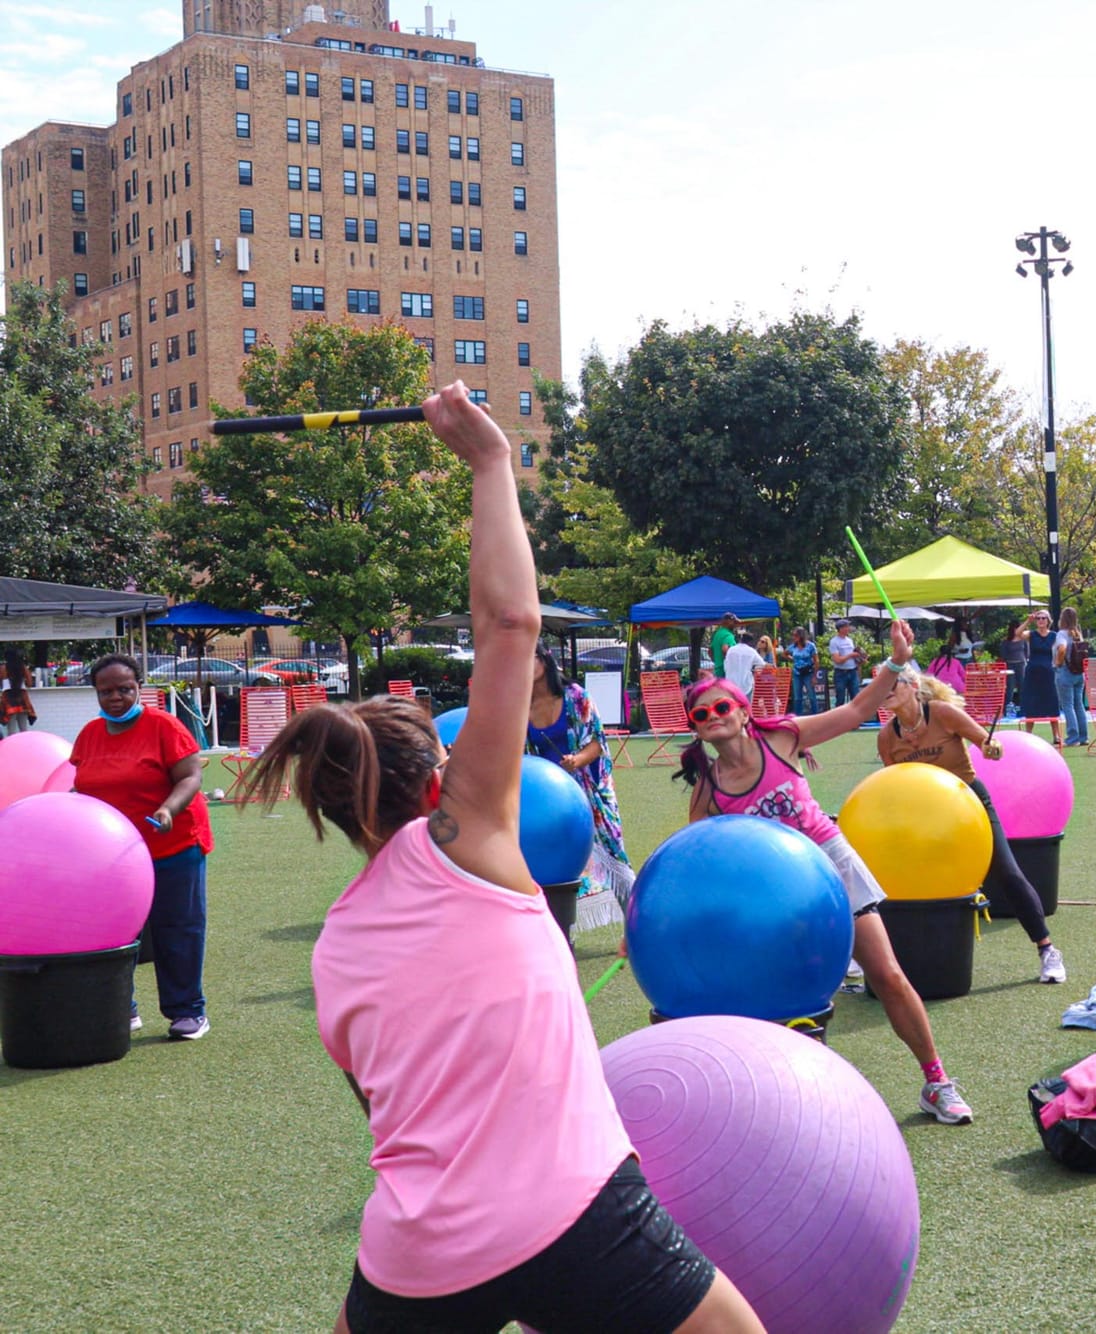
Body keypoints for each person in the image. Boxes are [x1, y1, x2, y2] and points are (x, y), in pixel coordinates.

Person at [239, 384, 764, 1332]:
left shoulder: (335, 950)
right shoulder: (467, 834)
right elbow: (510, 626)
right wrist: (490, 465)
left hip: (417, 1252)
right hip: (573, 1217)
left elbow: (383, 1112)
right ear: (439, 774)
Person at [676, 623, 975, 1126]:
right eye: (701, 715)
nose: (712, 718)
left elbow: (857, 710)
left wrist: (898, 662)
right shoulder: (709, 789)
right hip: (775, 897)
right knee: (785, 1000)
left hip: (829, 861)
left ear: (743, 711)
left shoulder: (783, 738)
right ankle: (795, 1103)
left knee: (888, 975)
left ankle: (937, 1081)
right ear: (696, 728)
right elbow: (698, 860)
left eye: (721, 707)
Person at [877, 669, 1066, 984]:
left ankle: (1047, 949)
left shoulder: (941, 713)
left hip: (969, 804)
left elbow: (986, 742)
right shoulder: (886, 737)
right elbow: (896, 784)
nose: (884, 690)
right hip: (926, 815)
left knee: (1006, 872)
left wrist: (992, 747)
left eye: (891, 684)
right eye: (879, 686)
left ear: (912, 686)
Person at [70, 653, 214, 1040]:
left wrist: (167, 810)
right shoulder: (89, 735)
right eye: (106, 691)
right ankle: (122, 1007)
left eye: (124, 689)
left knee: (176, 928)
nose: (115, 697)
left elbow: (190, 777)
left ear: (139, 687)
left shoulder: (164, 726)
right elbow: (81, 788)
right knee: (115, 933)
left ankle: (187, 1012)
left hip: (173, 844)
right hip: (114, 856)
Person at [527, 645, 631, 932]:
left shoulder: (575, 696)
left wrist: (576, 761)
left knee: (612, 850)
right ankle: (556, 930)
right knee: (554, 858)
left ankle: (637, 923)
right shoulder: (518, 705)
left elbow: (598, 742)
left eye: (529, 656)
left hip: (589, 788)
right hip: (549, 797)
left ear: (545, 660)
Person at [1020, 608, 1063, 743]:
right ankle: (1028, 734)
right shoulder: (1031, 634)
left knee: (1051, 701)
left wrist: (1057, 663)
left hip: (1048, 672)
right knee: (1031, 702)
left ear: (1048, 620)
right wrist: (1028, 620)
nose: (1040, 620)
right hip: (1032, 672)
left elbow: (1062, 648)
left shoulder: (1054, 635)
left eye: (1043, 618)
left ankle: (1056, 735)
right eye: (1038, 618)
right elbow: (1018, 633)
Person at [1054, 607, 1091, 748]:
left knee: (1067, 705)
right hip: (1078, 672)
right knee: (1079, 705)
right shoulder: (1077, 634)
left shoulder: (1061, 634)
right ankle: (1083, 736)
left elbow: (1062, 649)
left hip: (1065, 672)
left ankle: (1072, 737)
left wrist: (1058, 662)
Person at [827, 618, 862, 708]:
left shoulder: (849, 640)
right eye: (846, 627)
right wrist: (851, 655)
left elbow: (854, 655)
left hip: (852, 671)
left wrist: (860, 658)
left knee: (856, 697)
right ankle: (839, 720)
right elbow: (837, 660)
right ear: (841, 628)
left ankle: (855, 719)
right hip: (841, 673)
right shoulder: (834, 642)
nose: (848, 628)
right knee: (840, 698)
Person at [998, 617, 1029, 715]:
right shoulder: (1006, 641)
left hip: (1021, 664)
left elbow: (1027, 653)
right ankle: (1007, 708)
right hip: (1010, 665)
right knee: (1010, 688)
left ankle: (1024, 708)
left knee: (1022, 686)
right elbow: (1003, 655)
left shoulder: (1024, 640)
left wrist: (1025, 661)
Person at [786, 625, 820, 716]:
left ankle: (815, 714)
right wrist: (792, 659)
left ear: (801, 636)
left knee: (811, 695)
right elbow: (785, 653)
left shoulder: (810, 646)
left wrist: (814, 675)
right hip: (797, 673)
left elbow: (816, 660)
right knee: (797, 696)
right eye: (793, 635)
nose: (794, 637)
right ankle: (798, 715)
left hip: (808, 672)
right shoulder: (793, 647)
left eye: (796, 635)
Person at [2, 650, 34, 735]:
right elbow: (30, 683)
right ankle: (24, 745)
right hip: (22, 697)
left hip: (8, 697)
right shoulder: (22, 667)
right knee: (23, 728)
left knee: (11, 729)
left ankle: (12, 747)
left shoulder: (3, 668)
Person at [708, 614, 741, 681]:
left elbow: (710, 651)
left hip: (717, 671)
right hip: (726, 673)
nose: (735, 625)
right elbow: (725, 649)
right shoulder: (728, 635)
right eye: (734, 622)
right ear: (728, 621)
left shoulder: (718, 633)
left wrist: (717, 661)